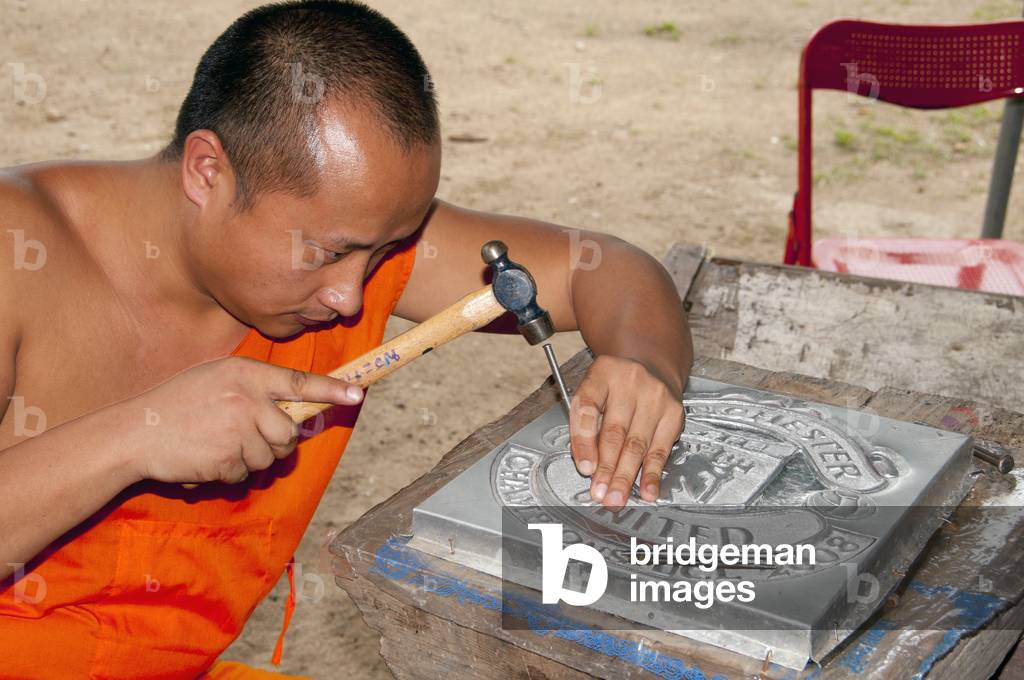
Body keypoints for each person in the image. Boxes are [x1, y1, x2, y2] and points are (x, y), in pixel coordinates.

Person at [0, 1, 692, 676]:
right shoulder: (17, 251)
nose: (352, 296)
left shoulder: (354, 239)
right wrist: (136, 436)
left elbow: (603, 267)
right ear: (208, 171)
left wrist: (641, 362)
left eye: (387, 248)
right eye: (327, 253)